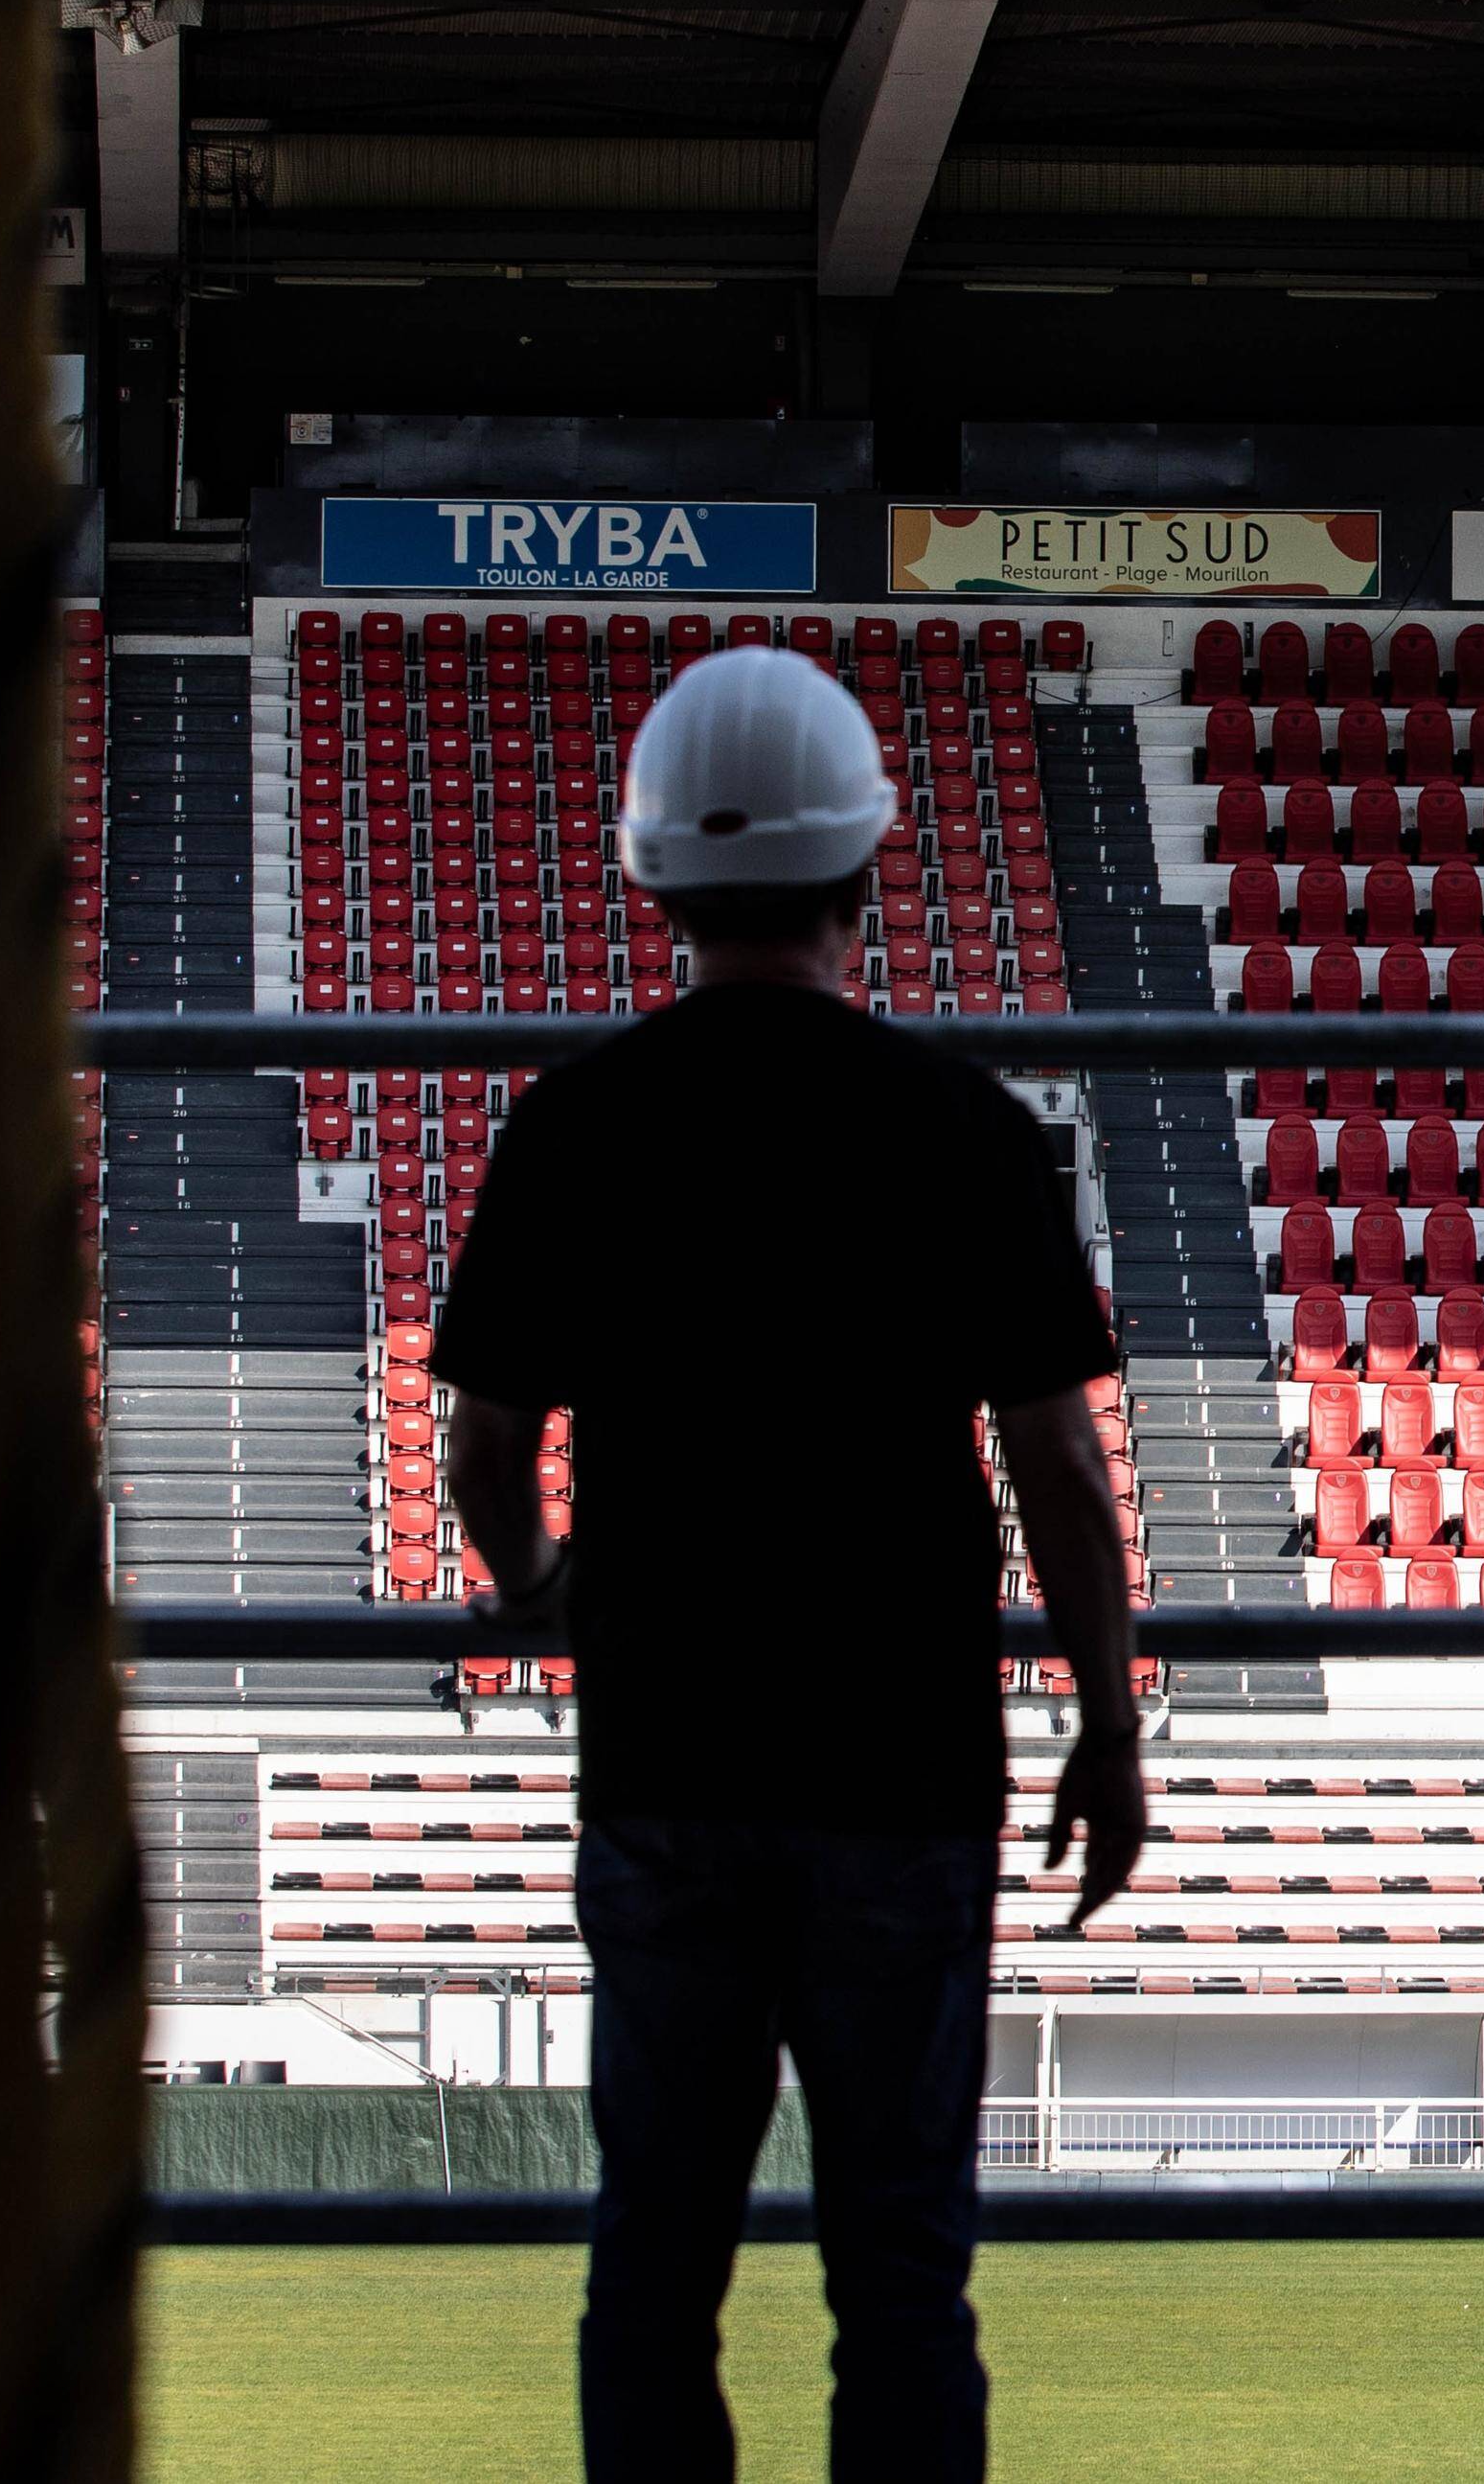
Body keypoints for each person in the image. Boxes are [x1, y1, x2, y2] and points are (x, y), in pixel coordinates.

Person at [432, 644, 1145, 2484]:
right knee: (902, 2270)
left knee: (653, 2261)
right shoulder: (969, 1130)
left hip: (666, 1763)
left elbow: (487, 1452)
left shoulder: (572, 1121)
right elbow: (1061, 1469)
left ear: (653, 877)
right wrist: (1109, 1723)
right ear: (866, 870)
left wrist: (548, 1590)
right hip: (902, 1776)